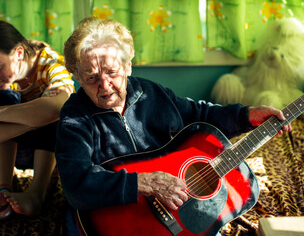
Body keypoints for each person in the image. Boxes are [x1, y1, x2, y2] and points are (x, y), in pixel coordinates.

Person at [55, 17, 291, 235]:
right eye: (92, 78)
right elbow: (77, 183)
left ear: (128, 66)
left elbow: (200, 114)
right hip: (111, 220)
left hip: (177, 209)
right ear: (77, 76)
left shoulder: (150, 93)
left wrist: (247, 115)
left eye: (112, 72)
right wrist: (144, 183)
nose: (105, 86)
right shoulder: (75, 117)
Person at [0, 20, 74, 220]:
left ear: (18, 53)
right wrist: (34, 118)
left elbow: (60, 108)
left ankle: (36, 195)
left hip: (50, 150)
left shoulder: (50, 62)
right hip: (15, 151)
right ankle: (3, 188)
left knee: (52, 111)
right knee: (5, 97)